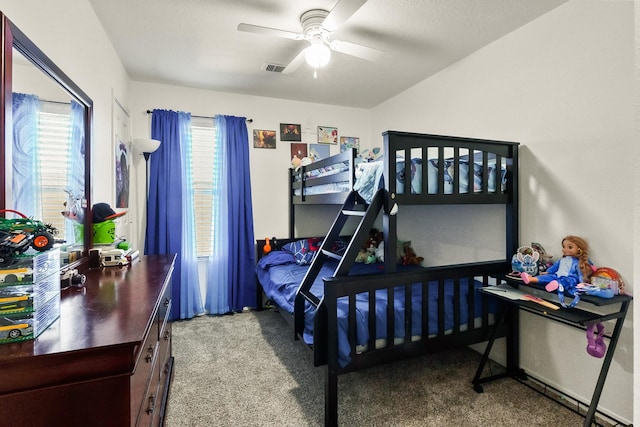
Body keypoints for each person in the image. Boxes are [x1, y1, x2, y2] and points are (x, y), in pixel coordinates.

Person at [520, 235, 597, 307]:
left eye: (570, 247)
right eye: (564, 247)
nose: (565, 249)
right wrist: (548, 272)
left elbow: (581, 273)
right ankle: (531, 279)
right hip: (557, 275)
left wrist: (582, 282)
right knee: (547, 277)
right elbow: (555, 267)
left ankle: (556, 284)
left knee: (567, 281)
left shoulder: (578, 262)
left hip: (570, 277)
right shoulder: (562, 260)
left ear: (579, 249)